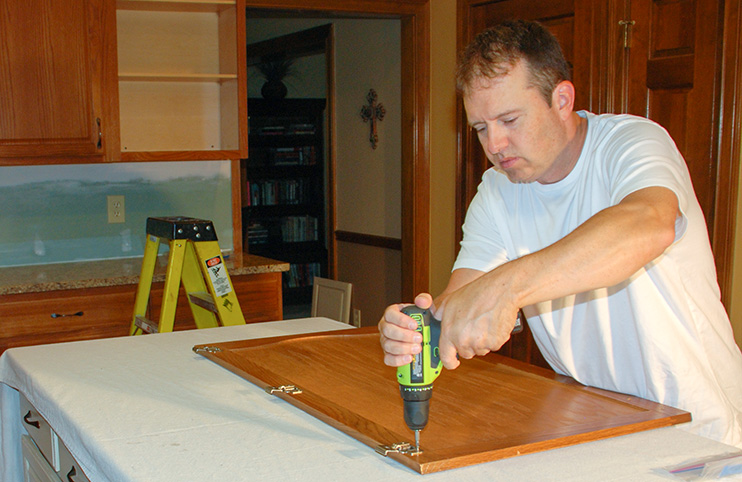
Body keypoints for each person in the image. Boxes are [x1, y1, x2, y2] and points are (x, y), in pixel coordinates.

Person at [378, 19, 742, 447]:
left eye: (509, 119)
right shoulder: (498, 190)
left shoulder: (631, 143)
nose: (494, 144)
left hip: (701, 429)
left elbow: (649, 224)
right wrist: (421, 331)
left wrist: (509, 287)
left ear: (562, 99)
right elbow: (467, 301)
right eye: (480, 128)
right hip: (596, 426)